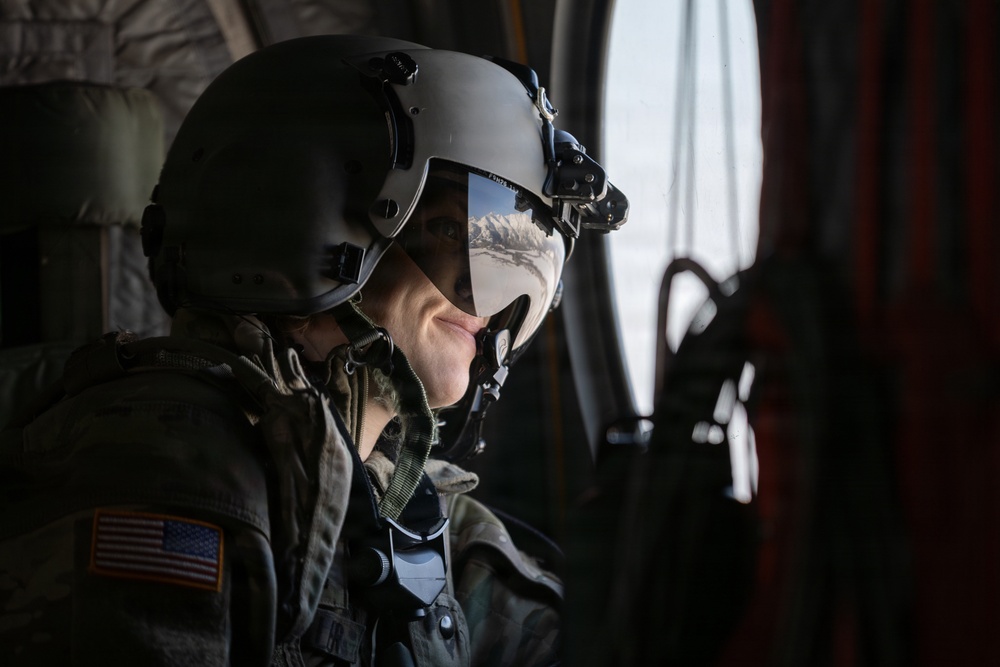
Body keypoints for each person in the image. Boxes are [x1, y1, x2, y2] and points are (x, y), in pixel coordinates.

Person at [0, 34, 627, 666]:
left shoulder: (400, 497)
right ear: (300, 215)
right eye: (450, 234)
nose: (487, 305)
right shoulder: (171, 469)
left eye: (517, 263)